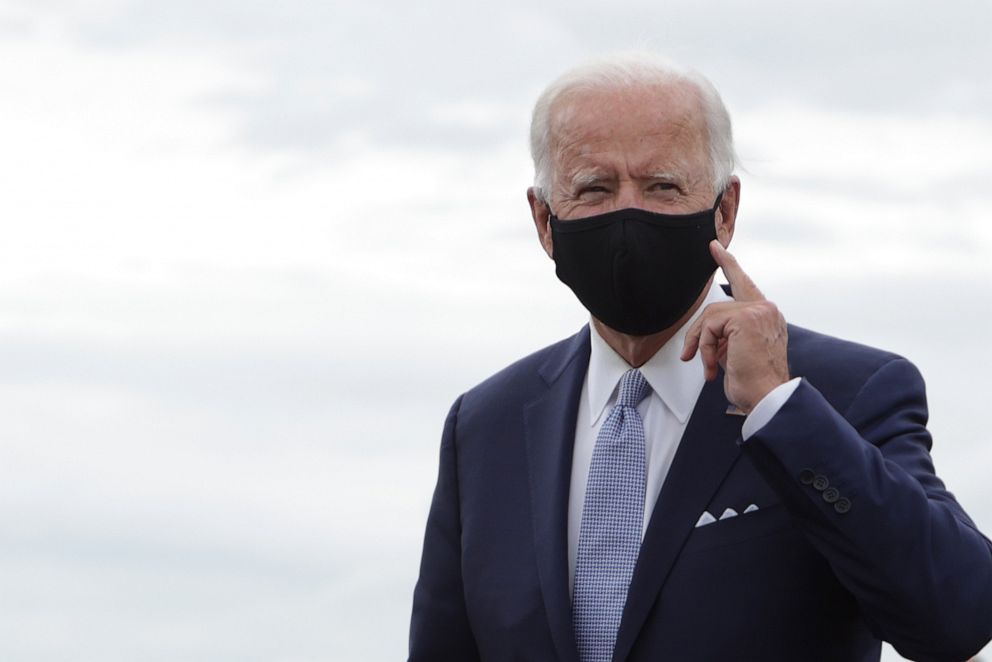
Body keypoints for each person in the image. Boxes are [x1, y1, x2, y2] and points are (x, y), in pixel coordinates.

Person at [408, 53, 992, 661]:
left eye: (662, 187)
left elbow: (958, 615)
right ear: (543, 220)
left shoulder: (846, 394)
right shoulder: (485, 425)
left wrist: (780, 409)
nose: (626, 216)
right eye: (593, 189)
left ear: (725, 209)